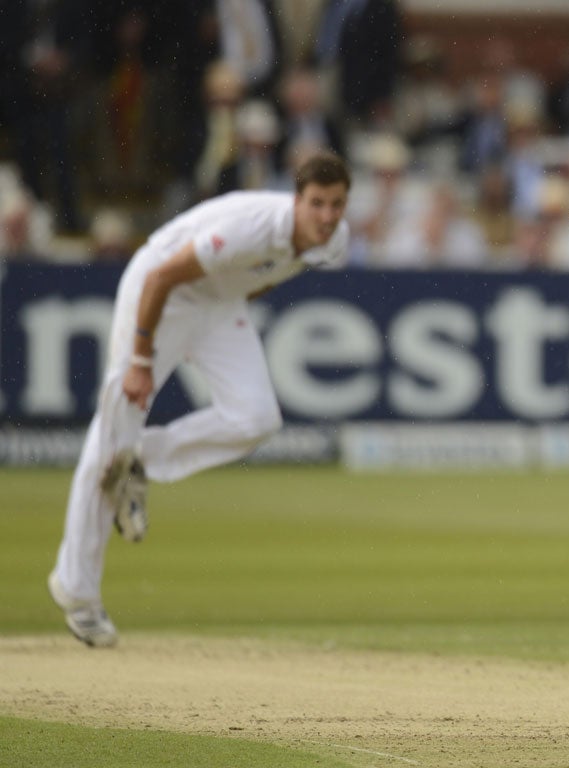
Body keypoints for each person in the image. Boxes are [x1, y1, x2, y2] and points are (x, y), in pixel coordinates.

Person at [48, 152, 352, 648]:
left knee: (256, 417)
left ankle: (142, 459)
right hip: (163, 292)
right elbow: (161, 276)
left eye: (337, 204)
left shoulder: (334, 242)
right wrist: (142, 360)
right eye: (316, 204)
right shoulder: (250, 228)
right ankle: (77, 593)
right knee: (111, 437)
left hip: (216, 304)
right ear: (296, 201)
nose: (327, 216)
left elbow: (267, 277)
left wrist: (213, 332)